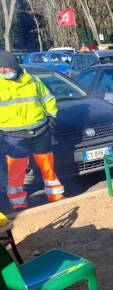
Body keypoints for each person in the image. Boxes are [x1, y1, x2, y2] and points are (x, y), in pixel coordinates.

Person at [0, 51, 64, 209]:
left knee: (47, 166)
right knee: (16, 172)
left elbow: (48, 99)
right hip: (13, 136)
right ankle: (18, 203)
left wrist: (52, 118)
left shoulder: (33, 81)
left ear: (13, 66)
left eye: (4, 68)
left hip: (39, 131)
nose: (2, 71)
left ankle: (55, 194)